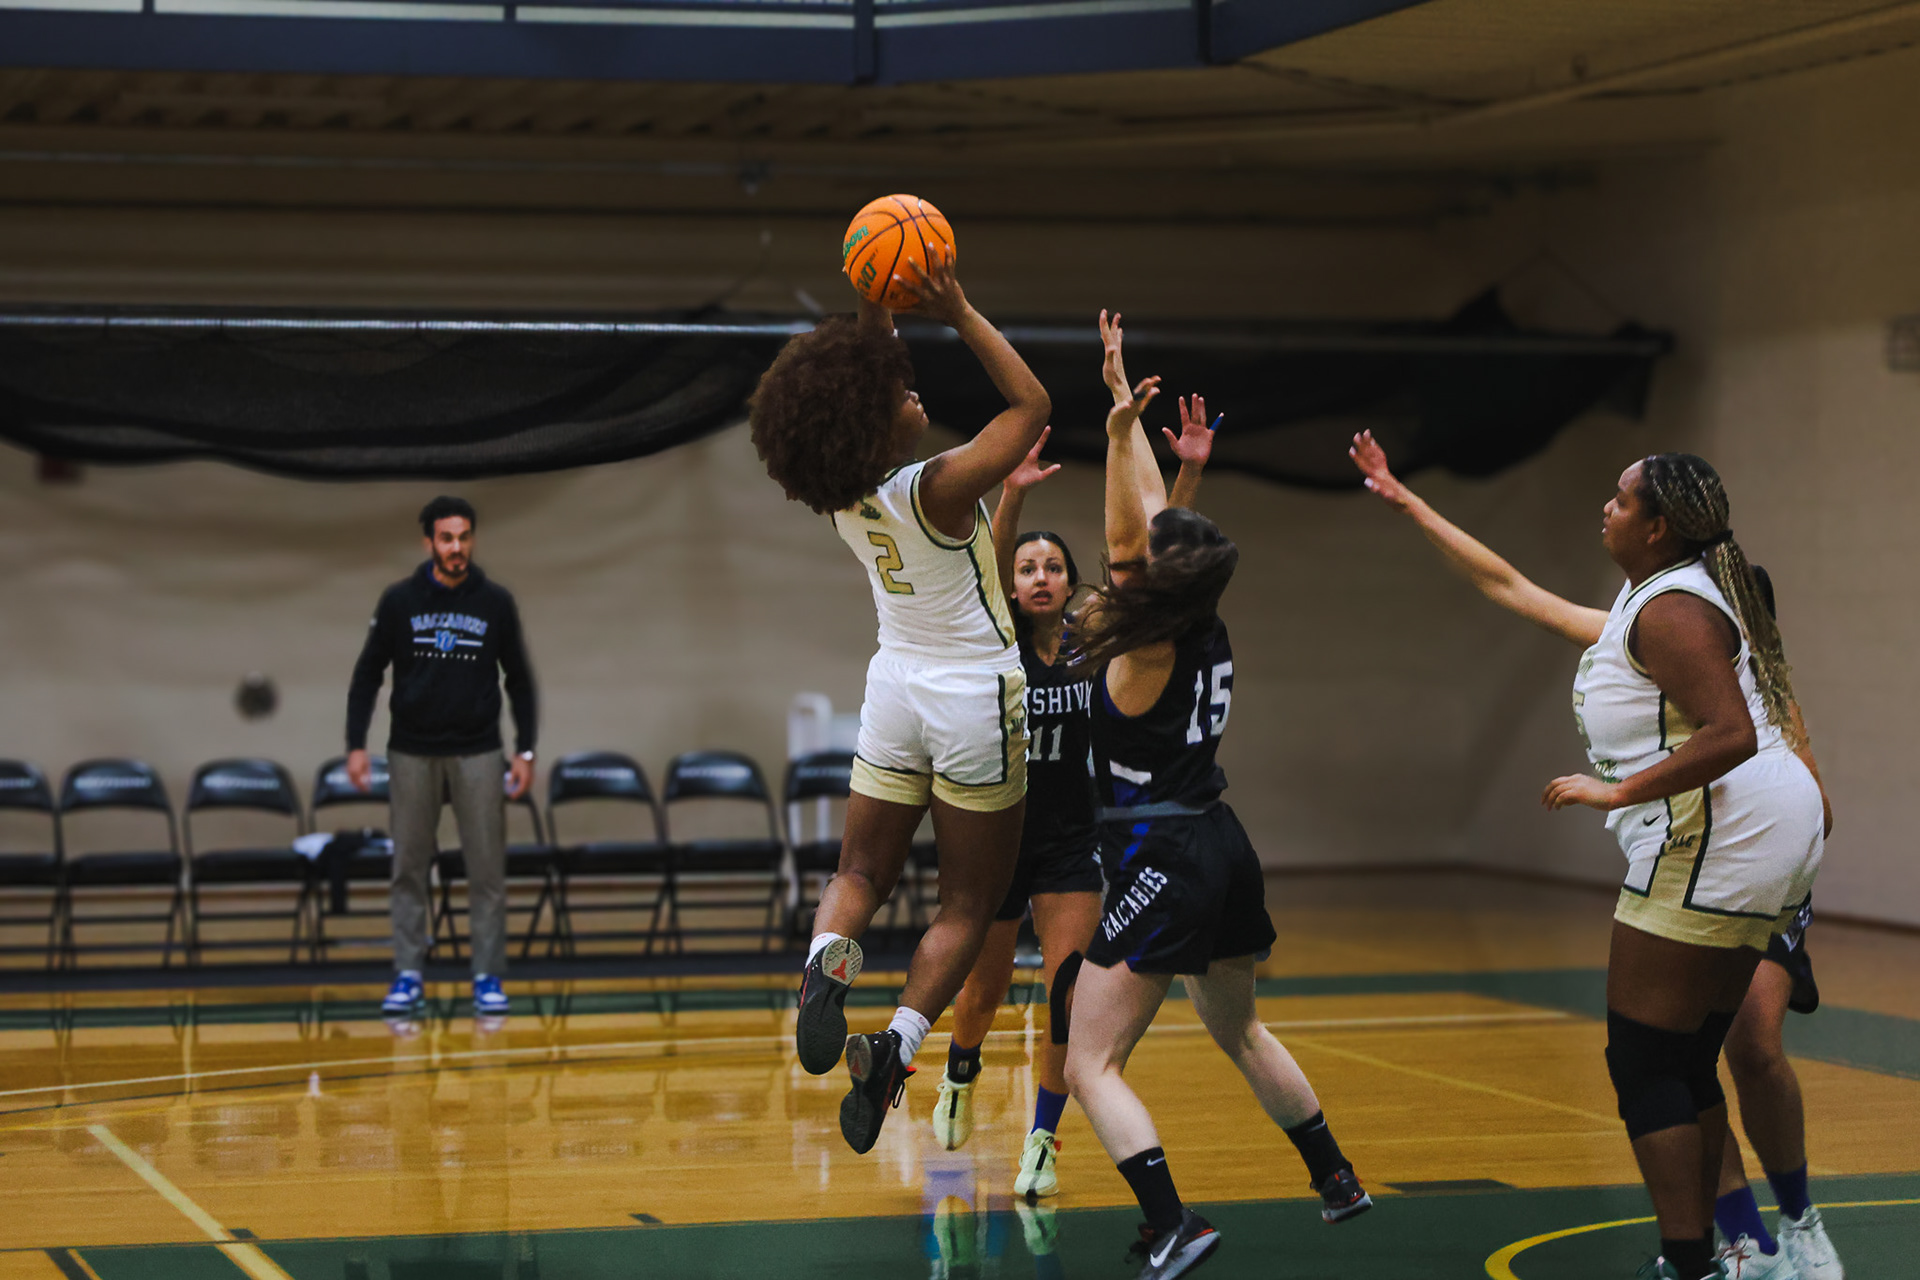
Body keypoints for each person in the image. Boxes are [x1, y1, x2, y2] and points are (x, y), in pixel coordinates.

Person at [1349, 434, 1826, 1280]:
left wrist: (1618, 791)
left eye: (1621, 496)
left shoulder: (1670, 608)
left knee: (1644, 1060)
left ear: (1658, 526)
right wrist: (1408, 501)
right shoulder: (1654, 601)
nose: (1606, 506)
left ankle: (1695, 1262)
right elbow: (1512, 587)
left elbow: (1734, 733)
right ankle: (1729, 1253)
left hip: (1723, 834)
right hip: (1761, 835)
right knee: (1684, 1054)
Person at [1061, 317, 1371, 1280]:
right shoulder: (1199, 616)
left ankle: (1172, 1224)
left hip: (1167, 853)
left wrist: (1119, 431)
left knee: (1088, 1063)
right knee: (1235, 1023)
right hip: (1223, 840)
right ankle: (1335, 1178)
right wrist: (1139, 429)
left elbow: (1128, 530)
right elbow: (1154, 530)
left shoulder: (1144, 641)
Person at [748, 243, 1051, 1154]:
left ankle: (821, 971)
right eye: (901, 397)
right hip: (971, 697)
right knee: (969, 902)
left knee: (858, 876)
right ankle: (896, 1047)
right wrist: (956, 307)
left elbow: (866, 378)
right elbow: (1032, 408)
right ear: (878, 427)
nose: (915, 395)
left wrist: (874, 303)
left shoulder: (840, 493)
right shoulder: (942, 488)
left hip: (894, 687)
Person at [934, 340, 1222, 1203]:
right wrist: (1012, 494)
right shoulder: (998, 639)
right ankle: (959, 1068)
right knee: (980, 992)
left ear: (1070, 584)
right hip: (997, 836)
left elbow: (1152, 564)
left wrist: (1186, 477)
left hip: (1071, 842)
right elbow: (987, 564)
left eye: (1053, 566)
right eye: (1028, 568)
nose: (1040, 575)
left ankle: (1043, 1142)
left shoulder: (1101, 645)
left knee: (1067, 999)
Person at [345, 495, 537, 1019]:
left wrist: (524, 749)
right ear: (428, 541)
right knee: (408, 865)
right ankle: (408, 974)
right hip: (412, 751)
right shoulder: (399, 601)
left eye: (465, 537)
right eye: (447, 538)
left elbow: (519, 679)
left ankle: (486, 977)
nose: (457, 547)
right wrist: (355, 745)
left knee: (485, 869)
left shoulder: (495, 601)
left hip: (478, 750)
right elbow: (367, 674)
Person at [1710, 569, 1844, 1280]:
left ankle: (1801, 1222)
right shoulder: (1649, 673)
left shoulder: (1770, 695)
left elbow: (1820, 810)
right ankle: (1740, 1240)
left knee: (1754, 1046)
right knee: (1683, 1063)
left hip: (1766, 891)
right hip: (1686, 884)